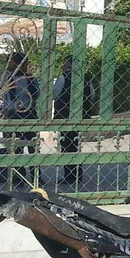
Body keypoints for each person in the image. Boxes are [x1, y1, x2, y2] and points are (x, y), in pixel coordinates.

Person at [0, 51, 39, 189]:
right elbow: (2, 92)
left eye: (11, 62)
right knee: (14, 147)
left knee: (32, 146)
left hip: (28, 114)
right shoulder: (8, 77)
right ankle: (19, 176)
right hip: (12, 115)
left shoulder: (29, 78)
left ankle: (36, 176)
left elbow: (36, 93)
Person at [53, 56, 95, 190]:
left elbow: (54, 94)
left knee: (66, 145)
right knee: (75, 145)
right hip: (80, 116)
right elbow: (92, 95)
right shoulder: (86, 78)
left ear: (70, 65)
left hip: (65, 116)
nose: (63, 66)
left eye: (65, 63)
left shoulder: (63, 78)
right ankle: (77, 175)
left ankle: (69, 175)